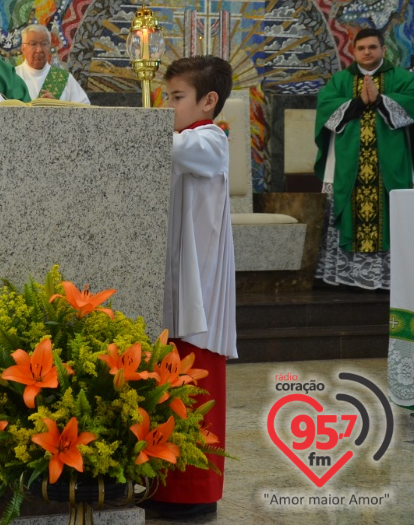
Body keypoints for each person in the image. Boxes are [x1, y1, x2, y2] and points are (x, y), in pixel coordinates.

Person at [151, 56, 237, 519]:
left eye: (176, 98)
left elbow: (176, 150)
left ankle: (195, 492)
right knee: (166, 391)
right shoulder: (183, 137)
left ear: (209, 101)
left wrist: (141, 127)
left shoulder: (210, 140)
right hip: (176, 284)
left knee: (196, 392)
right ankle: (162, 487)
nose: (168, 107)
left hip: (200, 293)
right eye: (166, 97)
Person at [314, 28, 414, 290]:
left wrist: (381, 100)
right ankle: (349, 277)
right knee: (349, 209)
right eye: (361, 48)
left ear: (383, 49)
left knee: (389, 211)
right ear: (353, 51)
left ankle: (391, 277)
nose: (367, 52)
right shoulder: (341, 80)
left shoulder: (401, 78)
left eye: (372, 47)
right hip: (349, 163)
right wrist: (358, 102)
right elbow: (326, 106)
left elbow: (412, 101)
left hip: (390, 163)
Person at [14, 24, 89, 103]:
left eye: (44, 44)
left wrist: (58, 107)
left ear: (49, 48)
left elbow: (85, 110)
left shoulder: (64, 79)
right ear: (23, 48)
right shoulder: (12, 77)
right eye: (33, 44)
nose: (39, 50)